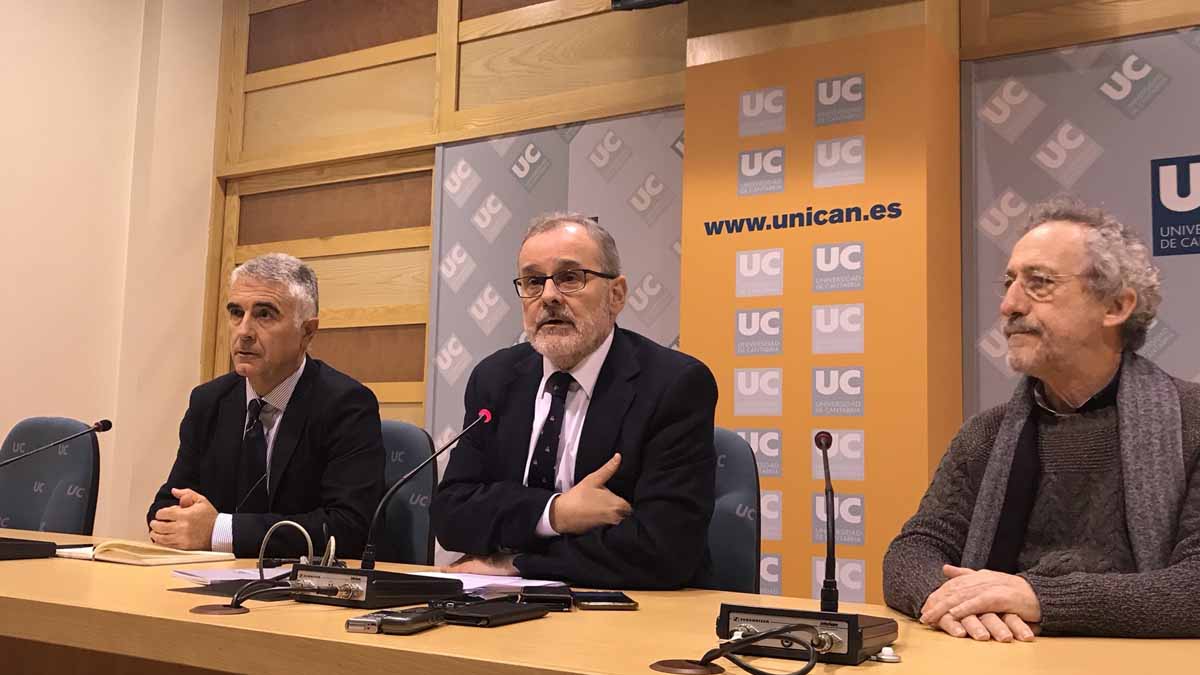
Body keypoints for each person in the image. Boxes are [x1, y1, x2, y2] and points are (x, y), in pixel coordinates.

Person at [884, 197, 1200, 640]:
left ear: (1115, 307)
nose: (1009, 306)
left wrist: (1036, 598)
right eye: (1009, 282)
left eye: (1039, 283)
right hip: (999, 655)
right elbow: (913, 551)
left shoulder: (1193, 421)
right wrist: (961, 602)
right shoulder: (986, 433)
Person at [431, 213, 717, 589]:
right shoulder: (495, 378)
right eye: (533, 281)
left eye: (570, 277)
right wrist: (556, 513)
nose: (548, 296)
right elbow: (452, 516)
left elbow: (664, 547)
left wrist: (518, 563)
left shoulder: (673, 384)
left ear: (616, 295)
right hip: (506, 608)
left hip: (631, 613)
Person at [147, 253, 383, 558]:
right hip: (210, 583)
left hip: (301, 594)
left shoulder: (346, 405)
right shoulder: (210, 401)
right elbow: (167, 504)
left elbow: (347, 528)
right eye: (236, 312)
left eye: (264, 315)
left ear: (307, 332)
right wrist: (175, 523)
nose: (244, 331)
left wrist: (219, 531)